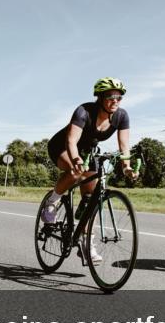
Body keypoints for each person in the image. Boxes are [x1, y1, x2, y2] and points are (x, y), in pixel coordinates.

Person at [43, 77, 138, 264]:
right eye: (110, 96)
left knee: (92, 200)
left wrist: (126, 166)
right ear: (100, 97)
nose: (115, 101)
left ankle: (86, 244)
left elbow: (124, 145)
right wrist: (76, 159)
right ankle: (52, 201)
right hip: (62, 147)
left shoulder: (121, 116)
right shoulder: (84, 111)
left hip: (88, 151)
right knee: (75, 171)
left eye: (119, 97)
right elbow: (71, 141)